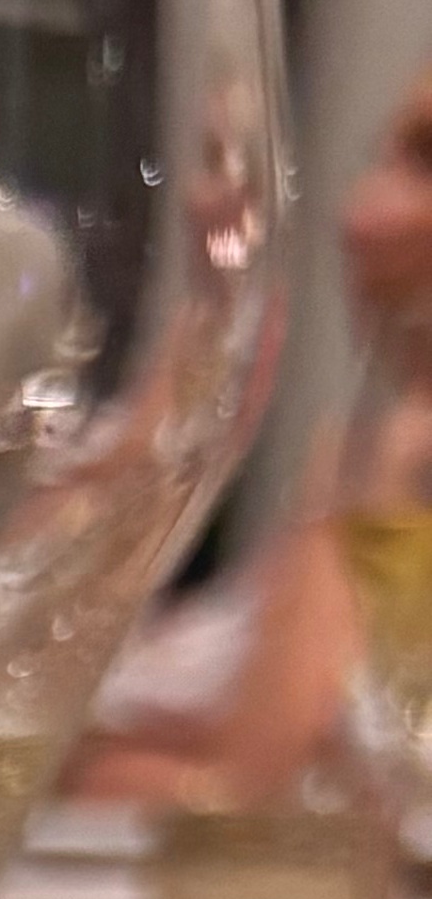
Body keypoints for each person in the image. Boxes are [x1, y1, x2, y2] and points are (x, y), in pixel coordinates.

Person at [78, 55, 432, 806]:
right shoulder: (369, 461)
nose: (358, 216)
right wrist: (166, 425)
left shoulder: (389, 483)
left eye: (428, 163)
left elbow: (267, 794)